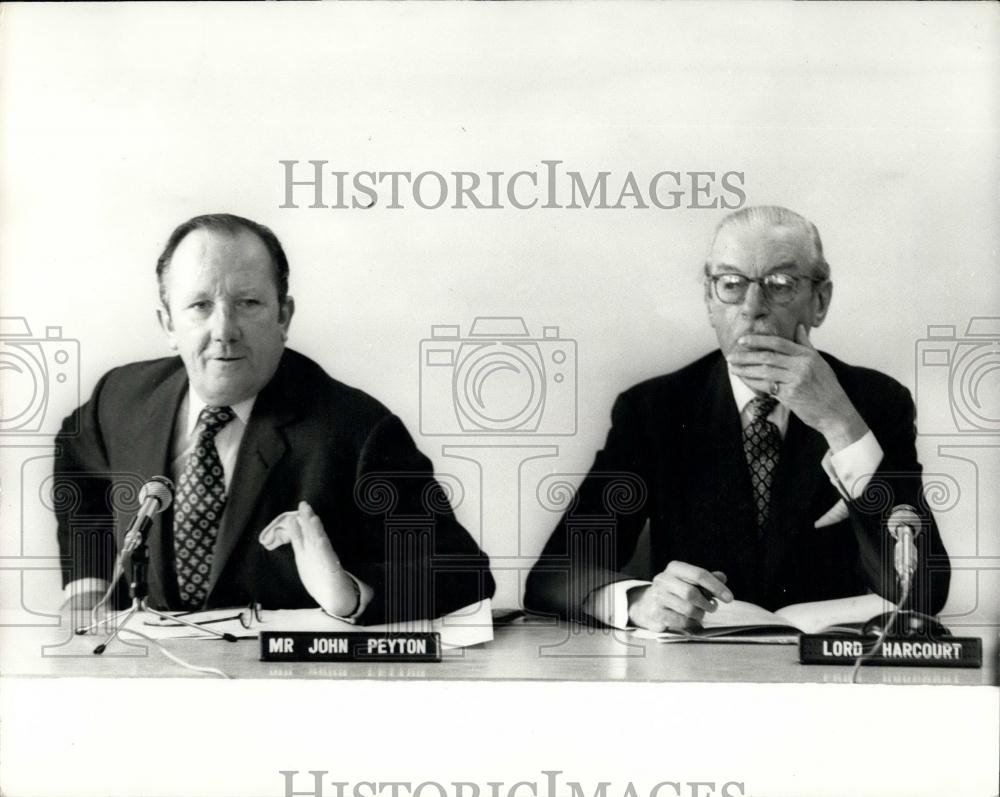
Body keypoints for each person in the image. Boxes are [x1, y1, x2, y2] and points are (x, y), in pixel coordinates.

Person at [524, 206, 950, 631]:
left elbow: (924, 589)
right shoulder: (653, 409)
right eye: (730, 284)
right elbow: (556, 573)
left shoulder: (875, 403)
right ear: (710, 301)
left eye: (780, 284)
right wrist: (638, 601)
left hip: (829, 671)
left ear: (820, 302)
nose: (752, 307)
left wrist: (840, 425)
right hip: (693, 672)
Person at [55, 213, 495, 623]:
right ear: (167, 323)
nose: (224, 329)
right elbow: (77, 464)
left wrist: (347, 591)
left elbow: (463, 572)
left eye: (248, 302)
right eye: (200, 306)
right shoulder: (120, 399)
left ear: (284, 316)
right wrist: (87, 588)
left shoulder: (358, 432)